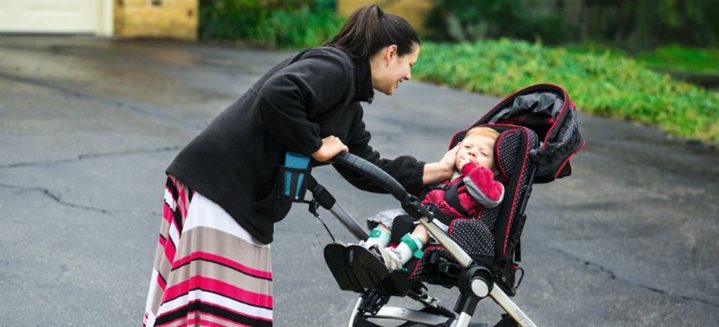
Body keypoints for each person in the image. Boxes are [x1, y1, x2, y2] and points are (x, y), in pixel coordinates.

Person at [142, 5, 459, 327]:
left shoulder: (349, 103)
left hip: (232, 192)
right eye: (410, 64)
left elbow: (366, 168)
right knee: (218, 309)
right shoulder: (336, 66)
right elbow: (279, 94)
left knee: (220, 307)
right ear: (391, 53)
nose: (410, 75)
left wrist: (438, 170)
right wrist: (315, 145)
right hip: (222, 187)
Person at [358, 127, 505, 271]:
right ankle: (370, 249)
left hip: (449, 225)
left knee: (424, 229)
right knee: (390, 218)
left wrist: (468, 168)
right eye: (467, 147)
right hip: (424, 212)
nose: (472, 152)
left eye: (483, 153)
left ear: (495, 169)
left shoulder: (491, 185)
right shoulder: (447, 175)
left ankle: (398, 256)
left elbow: (489, 197)